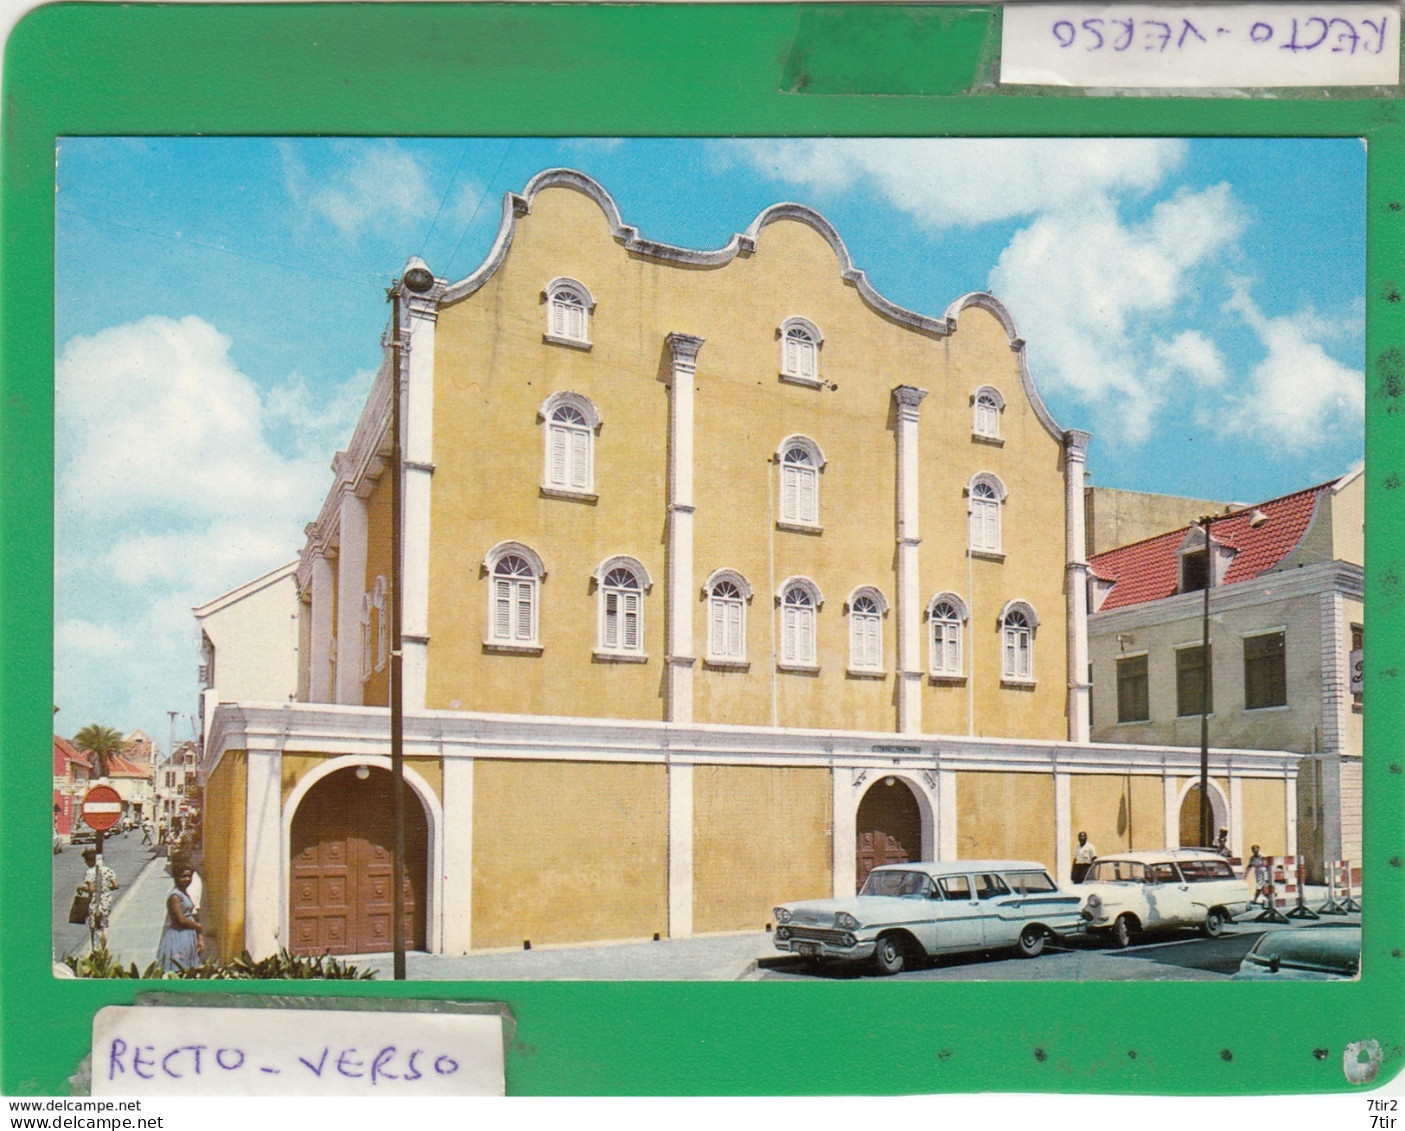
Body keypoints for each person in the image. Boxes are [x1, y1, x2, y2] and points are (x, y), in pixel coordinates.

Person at [155, 863, 203, 973]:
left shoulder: (184, 893)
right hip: (178, 936)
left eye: (189, 876)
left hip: (188, 935)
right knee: (179, 968)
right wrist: (199, 927)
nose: (187, 879)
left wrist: (199, 937)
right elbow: (180, 919)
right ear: (176, 878)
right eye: (183, 876)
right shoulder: (175, 896)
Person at [79, 847, 119, 952]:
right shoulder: (108, 870)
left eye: (86, 861)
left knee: (93, 927)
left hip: (95, 903)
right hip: (106, 901)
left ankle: (95, 950)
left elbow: (91, 889)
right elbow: (115, 885)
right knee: (102, 926)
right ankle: (103, 948)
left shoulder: (90, 872)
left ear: (91, 861)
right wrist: (104, 888)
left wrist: (81, 888)